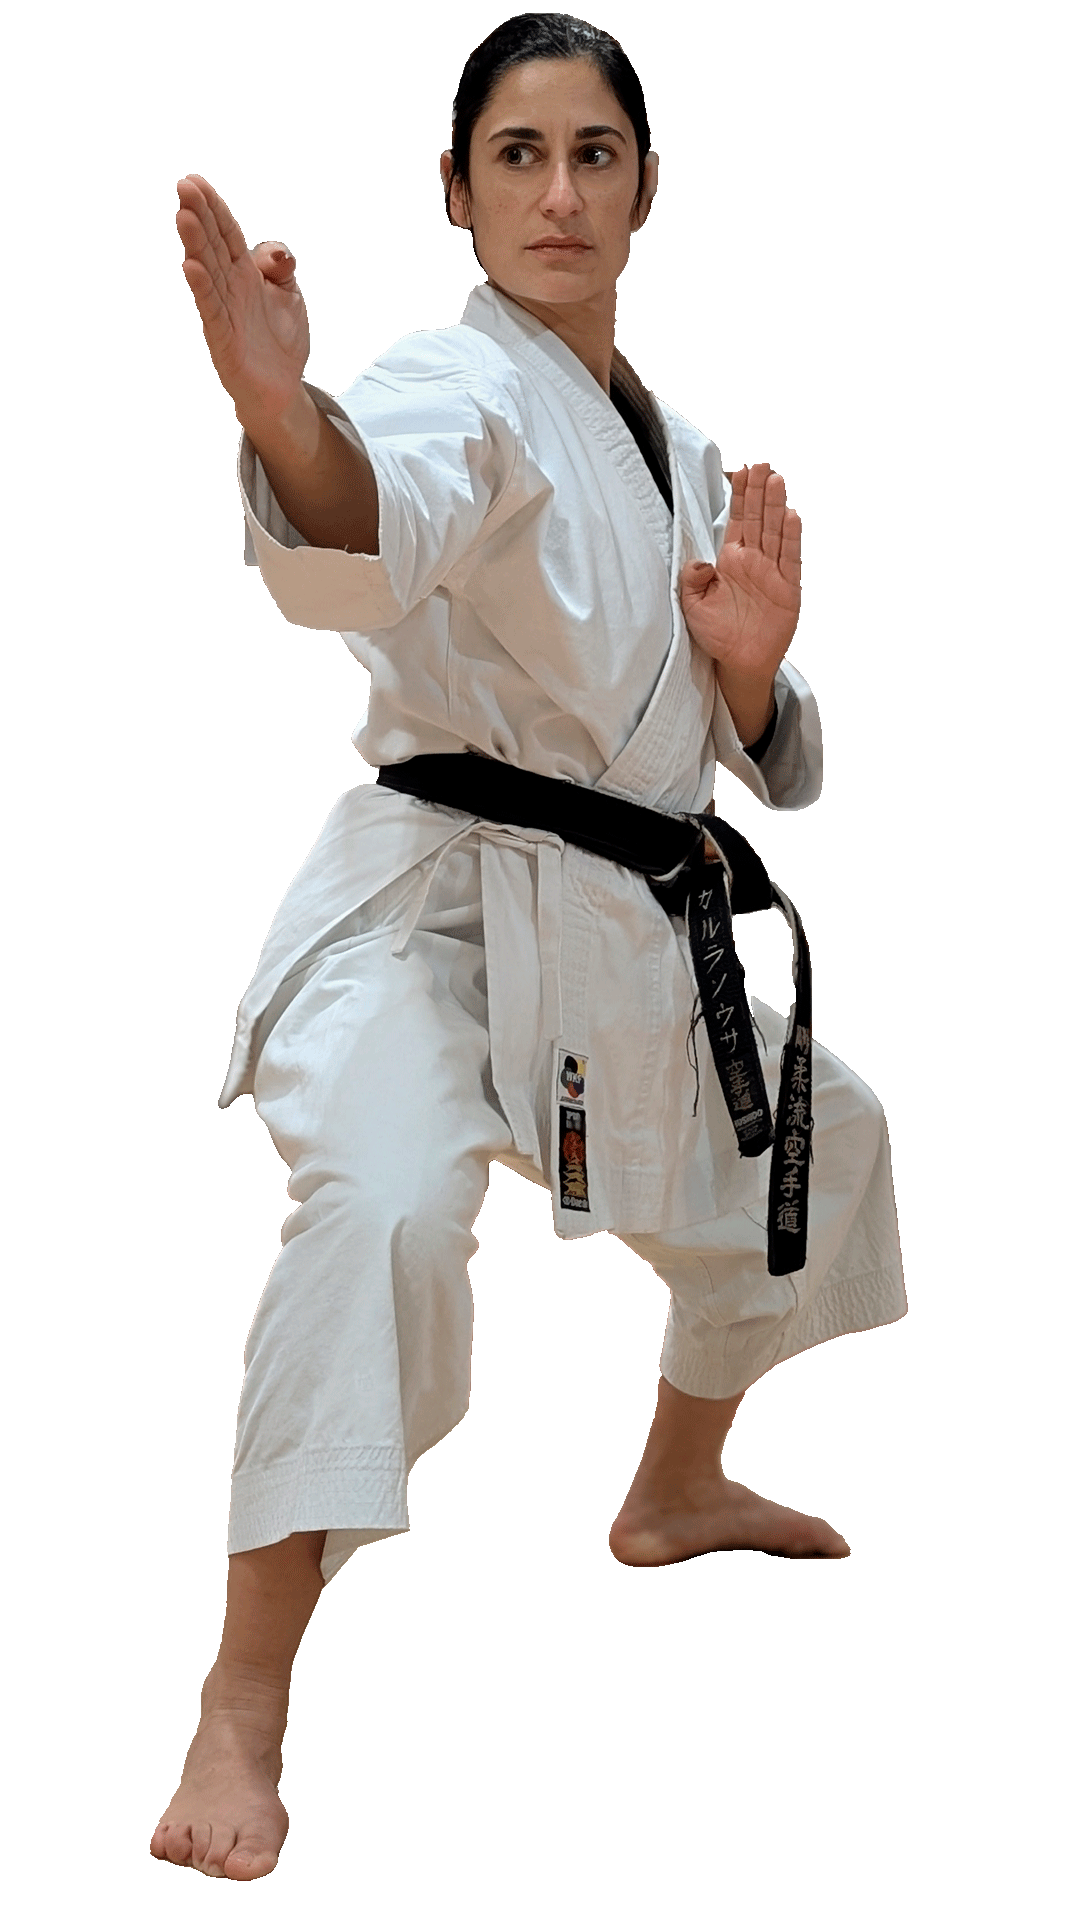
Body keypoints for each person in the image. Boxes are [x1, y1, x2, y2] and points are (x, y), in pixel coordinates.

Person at [153, 11, 906, 1882]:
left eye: (593, 155)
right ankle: (245, 1692)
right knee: (387, 1210)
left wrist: (751, 673)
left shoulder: (684, 452)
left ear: (648, 191)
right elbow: (370, 505)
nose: (557, 193)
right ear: (456, 191)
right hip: (434, 911)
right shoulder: (455, 383)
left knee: (829, 1140)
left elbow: (724, 729)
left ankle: (672, 1488)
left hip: (619, 920)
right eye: (517, 155)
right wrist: (286, 422)